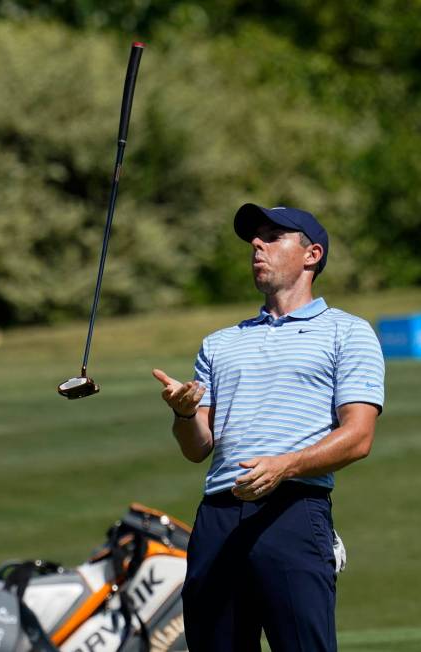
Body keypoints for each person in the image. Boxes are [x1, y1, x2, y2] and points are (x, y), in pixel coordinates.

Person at [153, 203, 385, 651]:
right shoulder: (220, 343)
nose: (257, 244)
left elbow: (359, 436)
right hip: (218, 516)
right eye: (254, 238)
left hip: (293, 511)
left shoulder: (347, 332)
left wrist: (286, 466)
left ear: (312, 254)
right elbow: (197, 447)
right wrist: (184, 413)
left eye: (274, 235)